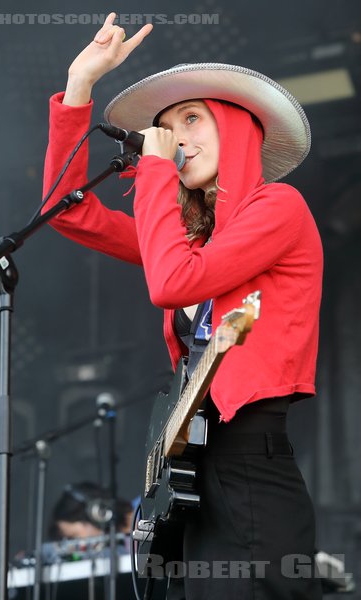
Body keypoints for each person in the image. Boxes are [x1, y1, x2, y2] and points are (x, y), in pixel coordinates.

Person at [42, 12, 323, 600]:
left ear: (237, 127)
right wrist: (78, 88)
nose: (174, 139)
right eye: (165, 127)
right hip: (193, 474)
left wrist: (150, 169)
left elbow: (172, 283)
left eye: (191, 119)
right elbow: (67, 211)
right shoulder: (192, 240)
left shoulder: (281, 207)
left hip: (250, 464)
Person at [48, 480, 134, 541]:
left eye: (74, 536)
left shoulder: (145, 512)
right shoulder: (124, 545)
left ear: (95, 513)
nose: (78, 544)